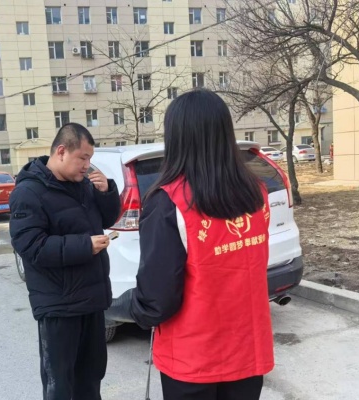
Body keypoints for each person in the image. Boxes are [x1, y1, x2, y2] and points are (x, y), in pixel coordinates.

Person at [110, 89, 274, 400]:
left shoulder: (170, 201)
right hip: (248, 349)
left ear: (176, 138)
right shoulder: (256, 193)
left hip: (193, 358)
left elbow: (157, 299)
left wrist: (119, 307)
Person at [9, 123, 121, 400]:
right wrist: (85, 246)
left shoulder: (83, 186)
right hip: (59, 305)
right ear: (61, 151)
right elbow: (31, 247)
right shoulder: (28, 192)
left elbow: (107, 219)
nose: (87, 165)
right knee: (60, 384)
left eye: (90, 158)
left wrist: (106, 193)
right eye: (83, 158)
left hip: (91, 299)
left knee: (91, 377)